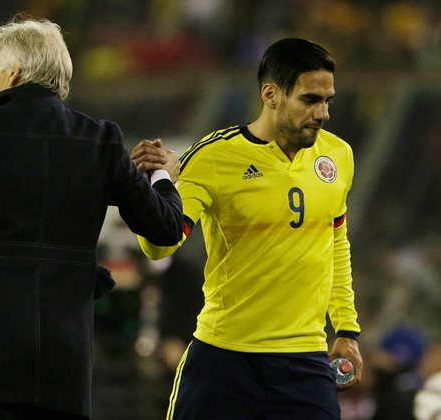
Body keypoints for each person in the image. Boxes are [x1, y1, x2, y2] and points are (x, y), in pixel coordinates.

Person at [0, 16, 183, 420]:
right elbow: (165, 228)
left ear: (14, 74)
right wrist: (161, 178)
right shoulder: (100, 141)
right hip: (63, 369)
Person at [132, 38, 363, 419]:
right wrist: (157, 185)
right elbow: (160, 246)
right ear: (270, 94)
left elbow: (336, 241)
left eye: (328, 100)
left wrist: (347, 331)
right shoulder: (213, 157)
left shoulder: (338, 155)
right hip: (223, 360)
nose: (323, 113)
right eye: (310, 100)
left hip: (303, 362)